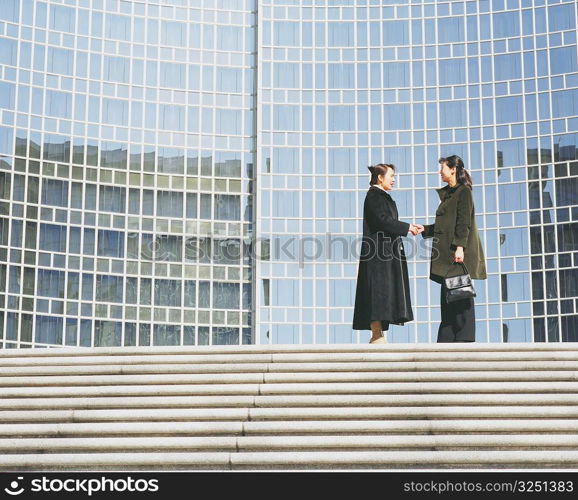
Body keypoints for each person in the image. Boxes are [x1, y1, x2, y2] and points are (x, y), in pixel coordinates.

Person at [352, 163, 423, 344]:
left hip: (387, 253)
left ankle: (379, 334)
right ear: (380, 178)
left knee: (386, 292)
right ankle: (376, 334)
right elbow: (383, 220)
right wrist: (407, 227)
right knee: (377, 292)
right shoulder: (374, 196)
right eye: (391, 175)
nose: (394, 179)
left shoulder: (384, 197)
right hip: (378, 254)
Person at [420, 155, 487, 342]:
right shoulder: (449, 194)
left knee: (461, 293)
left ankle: (464, 337)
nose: (439, 172)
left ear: (453, 170)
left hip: (456, 253)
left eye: (442, 168)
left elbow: (463, 222)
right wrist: (424, 229)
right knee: (449, 296)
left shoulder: (463, 192)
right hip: (446, 255)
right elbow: (445, 225)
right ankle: (447, 339)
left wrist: (460, 247)